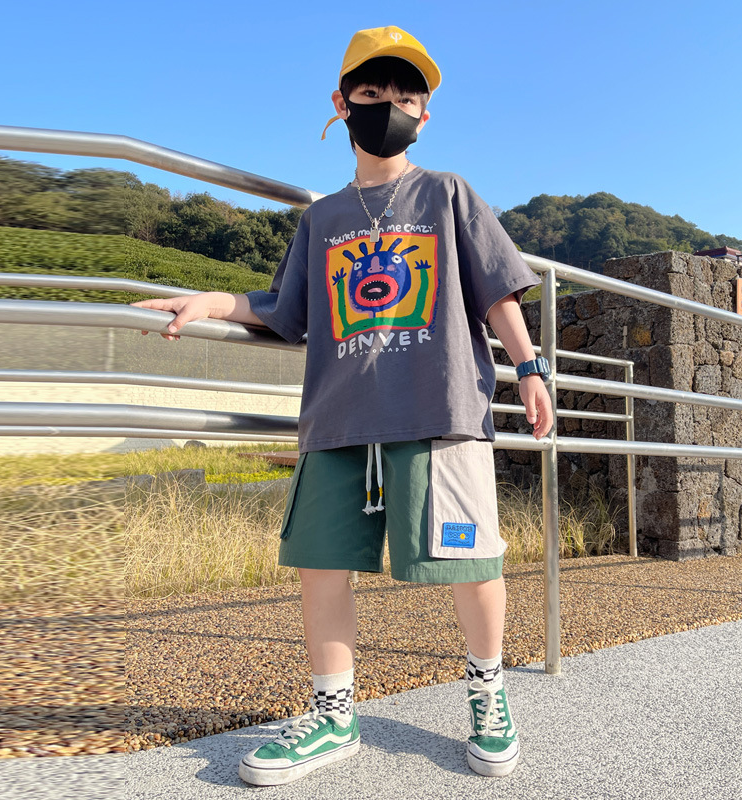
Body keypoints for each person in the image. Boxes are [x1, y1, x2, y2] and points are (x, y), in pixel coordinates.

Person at [133, 25, 553, 786]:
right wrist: (212, 301)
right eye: (370, 91)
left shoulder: (448, 193)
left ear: (424, 114)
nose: (387, 105)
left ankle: (488, 697)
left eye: (404, 96)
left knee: (472, 561)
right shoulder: (321, 218)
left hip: (439, 408)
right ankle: (333, 716)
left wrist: (528, 368)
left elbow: (496, 289)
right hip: (338, 416)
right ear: (341, 103)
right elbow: (283, 308)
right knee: (321, 565)